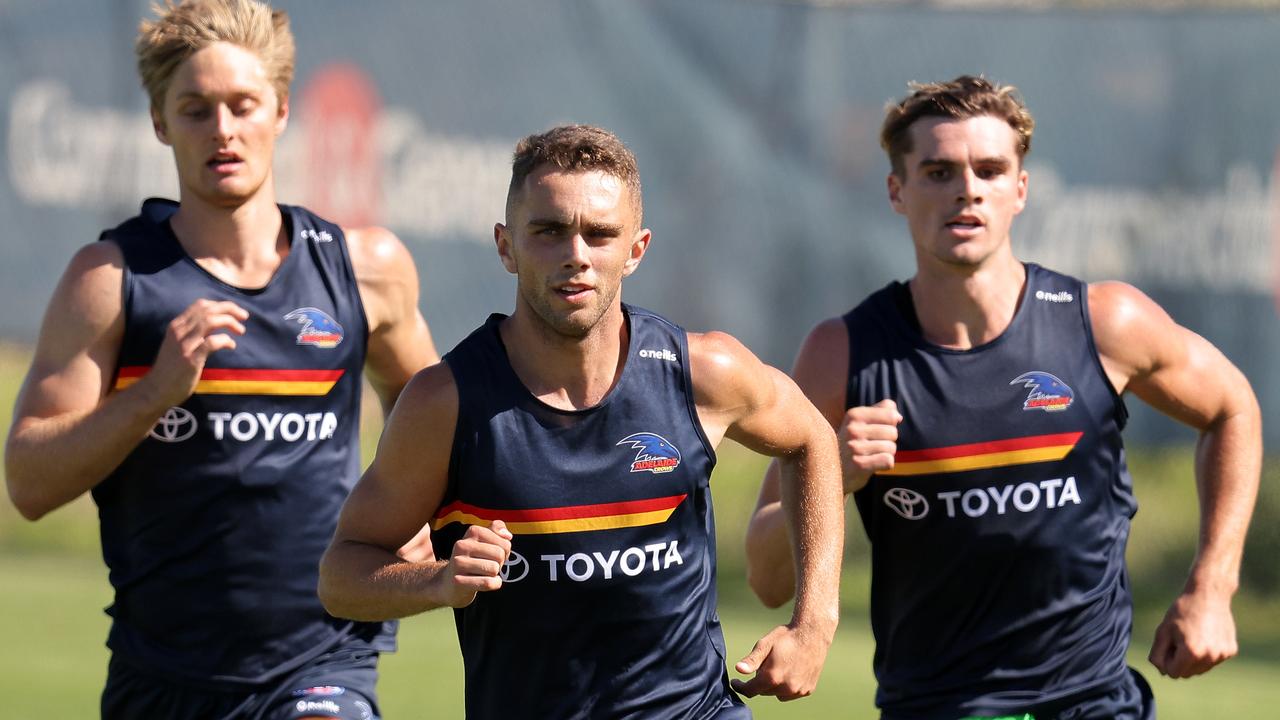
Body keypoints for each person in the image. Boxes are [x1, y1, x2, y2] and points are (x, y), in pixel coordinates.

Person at [744, 76, 1262, 719]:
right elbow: (766, 578)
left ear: (1020, 189)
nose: (967, 188)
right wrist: (836, 473)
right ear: (896, 191)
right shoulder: (842, 353)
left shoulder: (1103, 323)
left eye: (989, 169)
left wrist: (1212, 586)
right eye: (937, 171)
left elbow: (1232, 407)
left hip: (1095, 706)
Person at [317, 124, 845, 718]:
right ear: (505, 246)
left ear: (636, 249)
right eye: (548, 231)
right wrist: (437, 582)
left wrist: (815, 624)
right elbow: (342, 578)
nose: (576, 255)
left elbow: (811, 439)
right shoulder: (447, 403)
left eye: (600, 234)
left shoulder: (699, 372)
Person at [3, 1, 438, 718]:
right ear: (158, 121)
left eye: (243, 105)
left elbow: (433, 409)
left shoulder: (365, 270)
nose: (224, 130)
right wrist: (153, 394)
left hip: (324, 662)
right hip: (162, 677)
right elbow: (28, 482)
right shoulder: (111, 281)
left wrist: (418, 503)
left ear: (281, 110)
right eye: (196, 109)